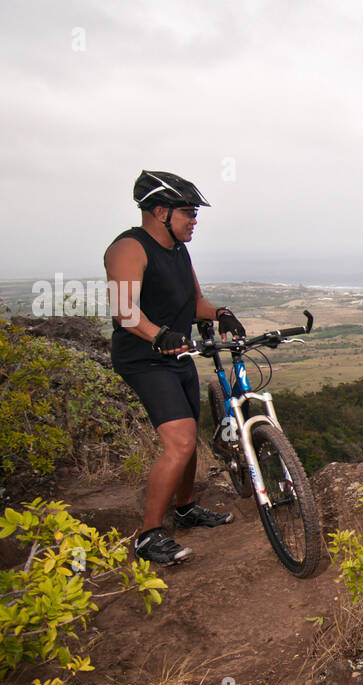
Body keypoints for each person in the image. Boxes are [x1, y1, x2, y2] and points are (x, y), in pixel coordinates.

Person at [104, 170, 247, 564]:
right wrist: (159, 335)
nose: (195, 221)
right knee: (181, 441)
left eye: (195, 214)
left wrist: (221, 312)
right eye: (189, 213)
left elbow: (194, 301)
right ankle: (148, 536)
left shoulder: (179, 250)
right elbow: (124, 310)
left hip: (177, 354)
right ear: (160, 211)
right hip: (145, 359)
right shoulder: (128, 248)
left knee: (190, 433)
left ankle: (185, 509)